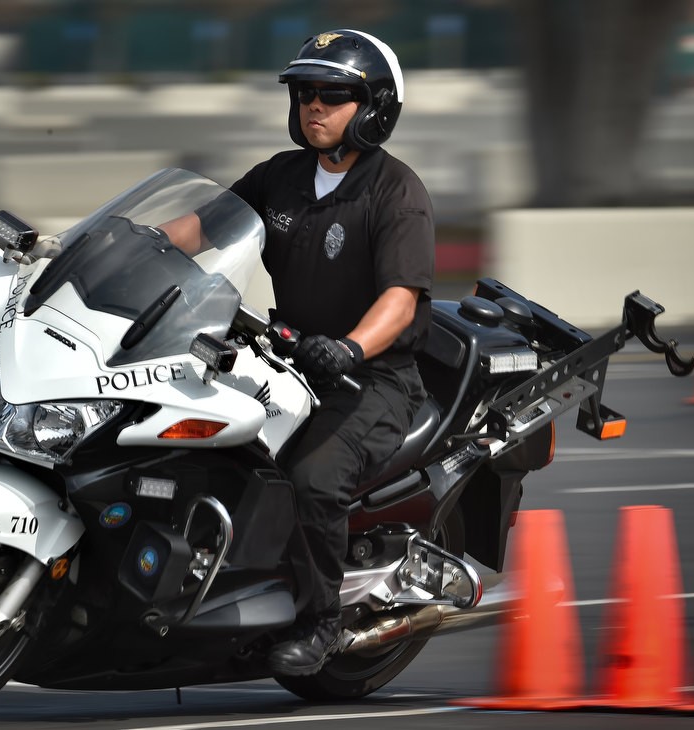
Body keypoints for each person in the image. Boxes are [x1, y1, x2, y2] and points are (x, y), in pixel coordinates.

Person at [162, 29, 435, 676]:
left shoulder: (395, 192)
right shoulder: (281, 177)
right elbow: (200, 228)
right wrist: (105, 250)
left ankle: (320, 624)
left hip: (372, 377)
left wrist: (350, 347)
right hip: (286, 360)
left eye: (334, 94)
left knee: (313, 478)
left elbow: (400, 299)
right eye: (306, 92)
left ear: (373, 107)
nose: (315, 106)